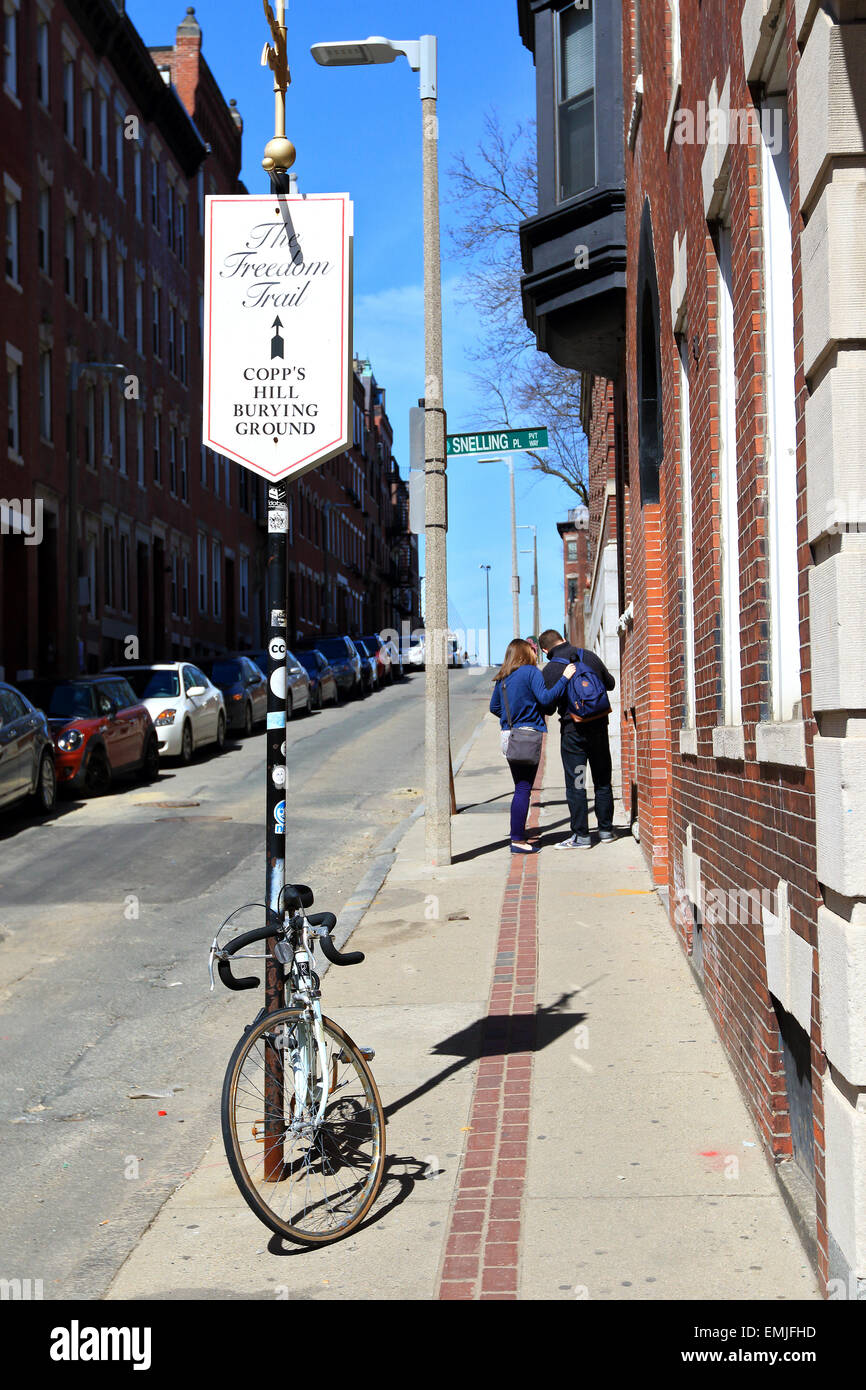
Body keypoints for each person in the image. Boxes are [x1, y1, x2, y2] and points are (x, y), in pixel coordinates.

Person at [490, 639, 575, 853]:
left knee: (520, 786)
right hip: (527, 735)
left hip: (508, 735)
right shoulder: (531, 672)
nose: (535, 654)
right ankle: (517, 840)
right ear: (526, 653)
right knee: (523, 789)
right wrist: (564, 679)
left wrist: (512, 718)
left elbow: (494, 707)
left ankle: (518, 833)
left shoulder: (503, 677)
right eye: (532, 651)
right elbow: (546, 699)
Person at [538, 628, 616, 850]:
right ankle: (606, 830)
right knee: (602, 779)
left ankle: (581, 836)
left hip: (574, 734)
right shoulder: (588, 655)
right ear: (563, 639)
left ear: (545, 650)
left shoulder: (552, 669)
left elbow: (548, 707)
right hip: (599, 728)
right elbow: (610, 684)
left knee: (577, 783)